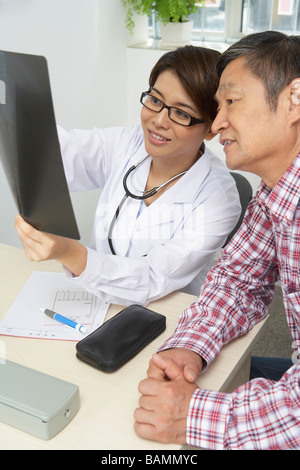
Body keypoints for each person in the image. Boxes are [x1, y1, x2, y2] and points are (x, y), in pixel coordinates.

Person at [134, 31, 300, 449]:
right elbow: (238, 280)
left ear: (295, 98)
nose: (218, 121)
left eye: (231, 101)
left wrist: (191, 417)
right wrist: (189, 346)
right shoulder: (274, 191)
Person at [15, 46, 240, 306]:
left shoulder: (218, 199)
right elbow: (56, 156)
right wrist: (18, 111)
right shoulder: (128, 142)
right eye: (155, 100)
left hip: (165, 314)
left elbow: (153, 278)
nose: (159, 121)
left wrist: (68, 251)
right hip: (96, 302)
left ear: (211, 128)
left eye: (181, 113)